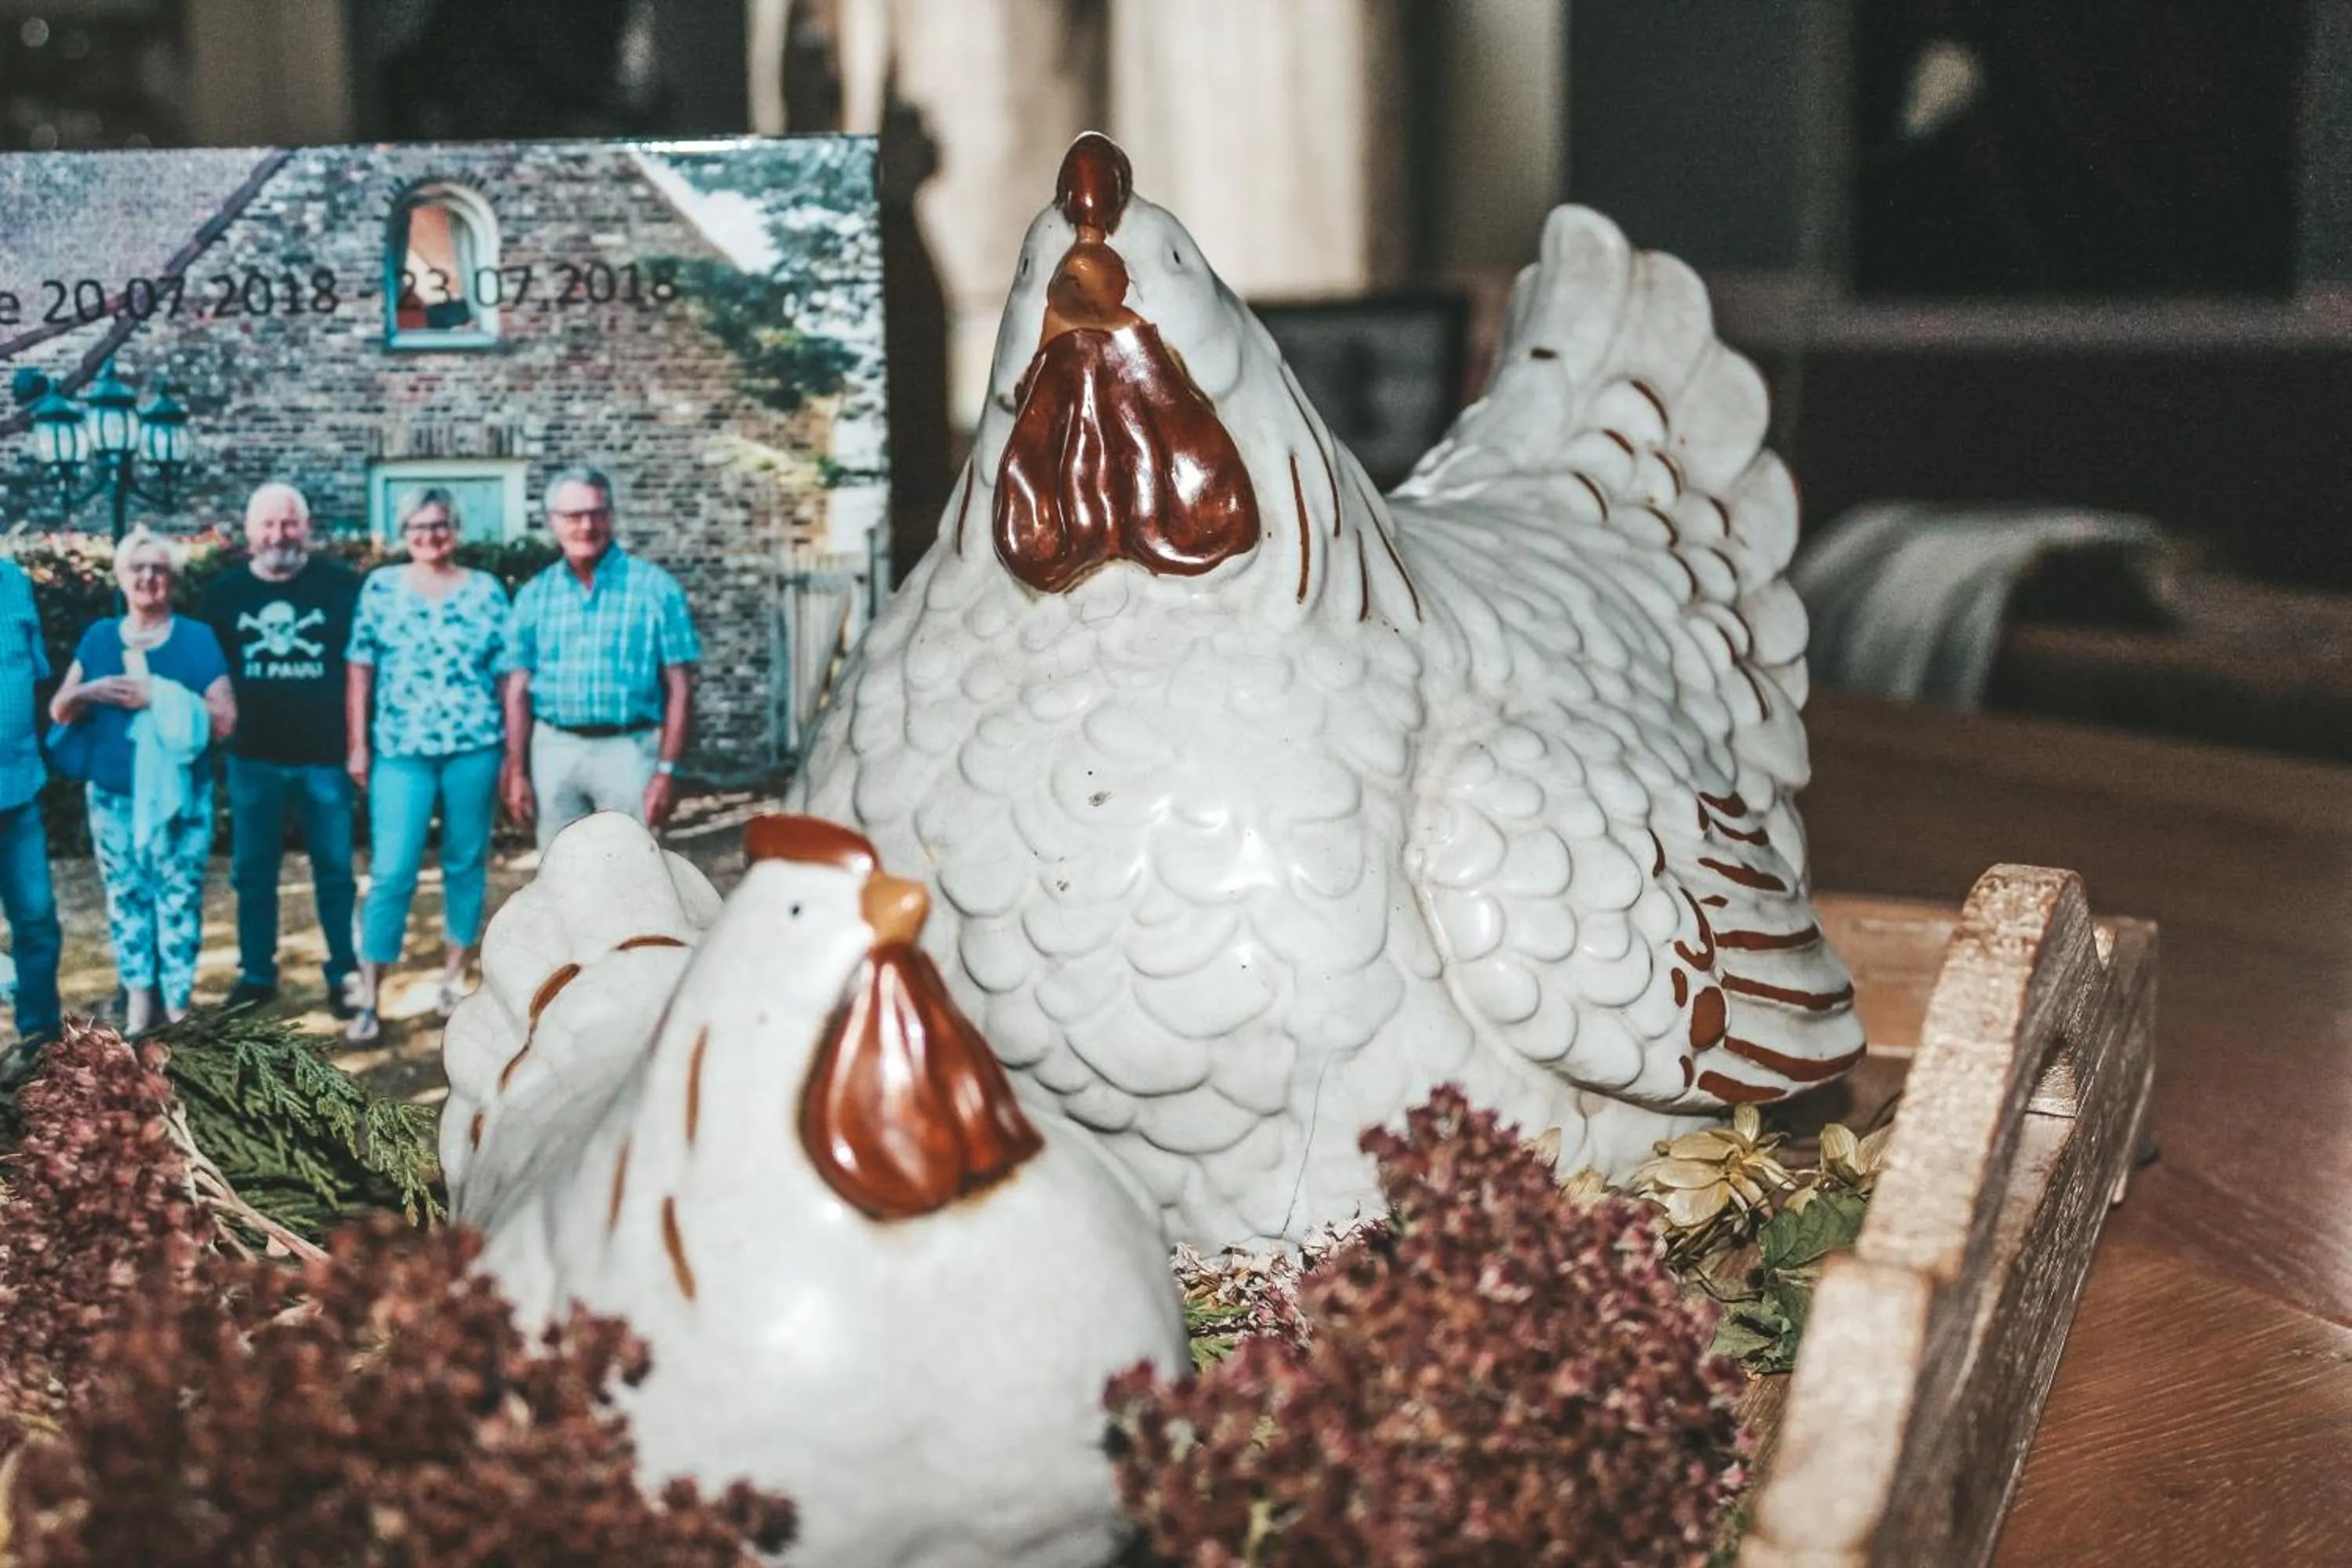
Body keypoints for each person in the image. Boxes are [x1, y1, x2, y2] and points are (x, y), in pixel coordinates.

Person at [47, 530, 235, 1034]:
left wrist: (161, 694)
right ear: (122, 576)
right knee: (126, 898)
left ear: (173, 578)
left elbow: (225, 719)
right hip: (112, 798)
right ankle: (136, 1008)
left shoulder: (195, 638)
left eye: (159, 568)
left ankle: (178, 1009)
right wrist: (91, 688)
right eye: (139, 568)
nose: (148, 577)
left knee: (178, 900)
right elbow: (60, 711)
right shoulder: (100, 638)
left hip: (182, 798)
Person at [343, 488, 513, 1043]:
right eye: (417, 526)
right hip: (400, 749)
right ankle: (369, 995)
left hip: (474, 745)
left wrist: (513, 750)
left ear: (456, 529)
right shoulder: (381, 588)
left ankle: (453, 979)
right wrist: (358, 743)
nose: (429, 535)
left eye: (439, 524)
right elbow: (360, 668)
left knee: (466, 862)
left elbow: (509, 674)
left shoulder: (486, 591)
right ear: (403, 532)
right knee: (392, 870)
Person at [201, 482, 362, 1014]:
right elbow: (208, 674)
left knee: (335, 870)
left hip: (325, 757)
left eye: (289, 523)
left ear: (307, 528)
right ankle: (255, 974)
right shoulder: (223, 594)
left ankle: (344, 972)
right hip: (254, 758)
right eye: (268, 524)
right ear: (249, 532)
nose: (279, 534)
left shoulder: (341, 587)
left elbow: (363, 670)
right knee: (253, 872)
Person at [503, 466, 699, 849]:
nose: (586, 526)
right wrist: (517, 770)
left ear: (610, 516)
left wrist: (666, 770)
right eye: (573, 516)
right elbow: (517, 691)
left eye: (596, 513)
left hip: (630, 750)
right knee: (561, 881)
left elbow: (680, 687)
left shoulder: (656, 589)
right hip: (555, 750)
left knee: (634, 877)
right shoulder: (534, 595)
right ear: (552, 522)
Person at [0, 552, 61, 1064]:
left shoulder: (14, 581)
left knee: (37, 919)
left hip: (19, 787)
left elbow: (38, 675)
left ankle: (41, 1038)